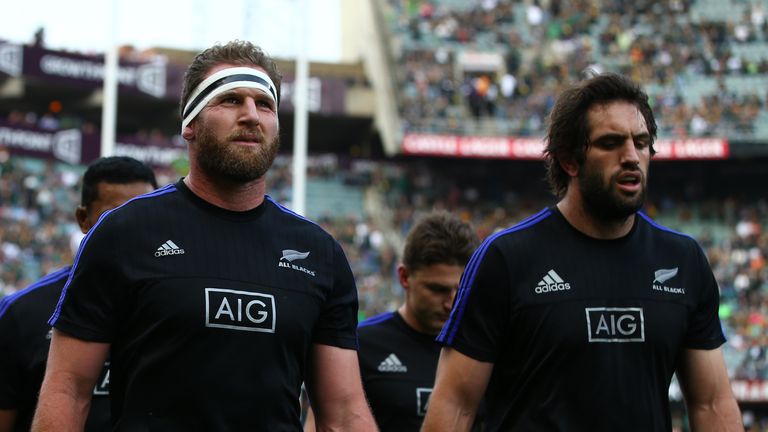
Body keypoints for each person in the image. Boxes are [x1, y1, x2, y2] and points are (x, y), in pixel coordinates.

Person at [32, 41, 377, 431]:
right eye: (230, 100)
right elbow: (68, 389)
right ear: (190, 123)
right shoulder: (124, 233)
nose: (251, 116)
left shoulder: (319, 254)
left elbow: (345, 413)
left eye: (265, 104)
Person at [422, 73, 743, 431]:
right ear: (569, 161)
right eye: (610, 143)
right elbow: (455, 405)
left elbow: (712, 404)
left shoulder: (682, 261)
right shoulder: (506, 258)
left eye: (641, 142)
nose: (631, 157)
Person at [0, 156, 158, 432]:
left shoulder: (178, 304)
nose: (132, 228)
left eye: (144, 215)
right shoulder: (22, 313)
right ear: (83, 219)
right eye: (114, 216)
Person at [305, 212, 480, 431]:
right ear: (404, 277)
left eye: (462, 290)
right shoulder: (358, 345)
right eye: (438, 289)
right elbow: (319, 426)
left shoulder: (482, 350)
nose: (451, 303)